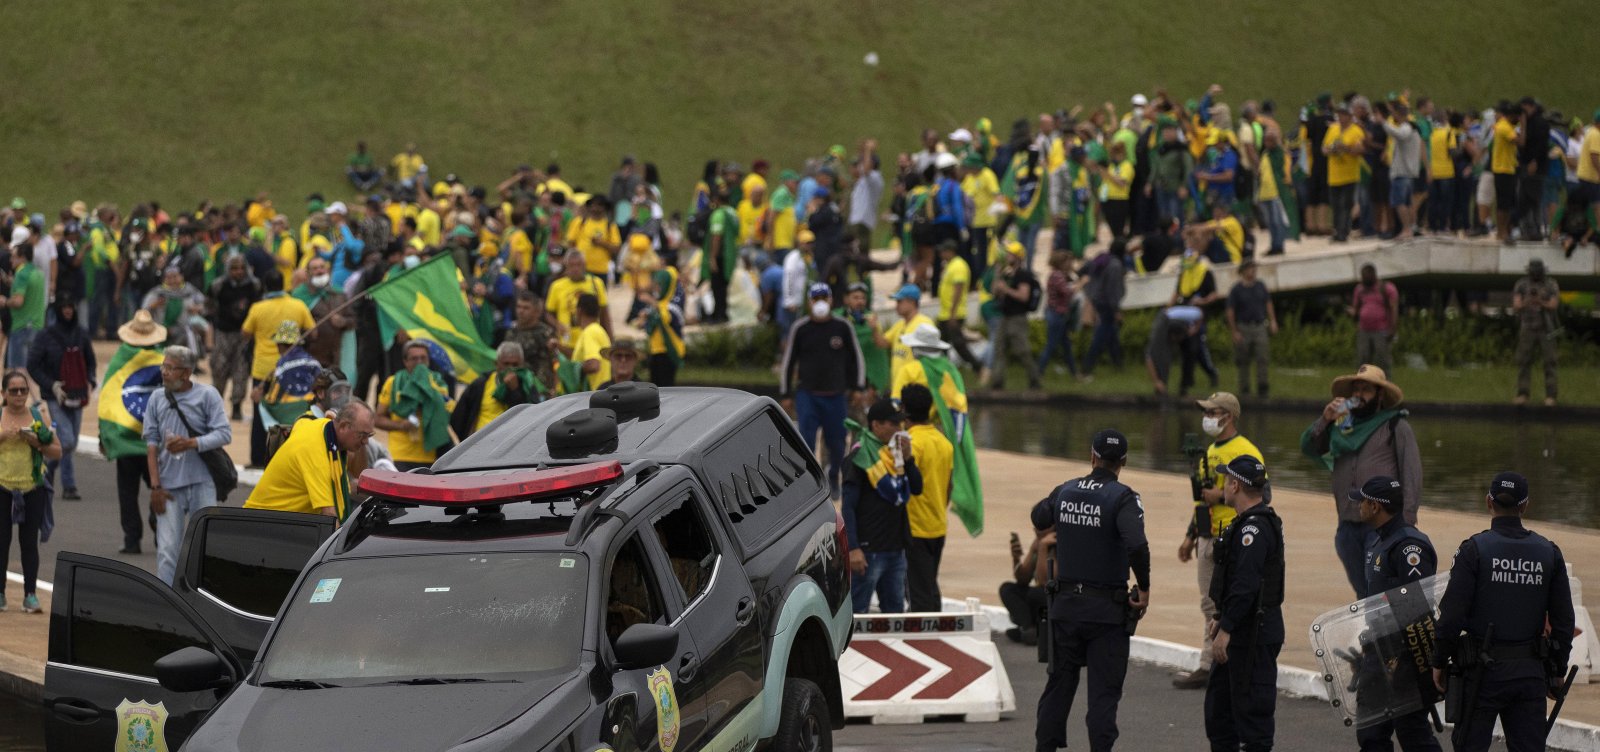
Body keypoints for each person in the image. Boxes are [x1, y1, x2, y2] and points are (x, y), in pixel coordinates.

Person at [1430, 471, 1575, 752]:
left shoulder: (1474, 550)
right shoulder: (1549, 552)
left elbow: (1451, 614)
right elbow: (1563, 619)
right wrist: (1558, 668)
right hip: (1529, 673)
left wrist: (1439, 660)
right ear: (1524, 506)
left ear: (1488, 502)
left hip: (1481, 674)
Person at [1031, 428, 1150, 752]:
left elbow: (1038, 516)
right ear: (1122, 461)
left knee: (1058, 687)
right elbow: (1137, 544)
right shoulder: (1124, 497)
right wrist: (1145, 587)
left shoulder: (1066, 491)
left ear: (1092, 456)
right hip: (1106, 613)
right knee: (1103, 695)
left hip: (1065, 607)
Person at [1300, 364, 1423, 598]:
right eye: (1355, 389)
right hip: (1347, 525)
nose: (1358, 395)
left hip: (1382, 527)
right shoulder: (1341, 428)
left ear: (1380, 396)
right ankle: (1371, 633)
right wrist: (1325, 419)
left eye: (1365, 390)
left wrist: (1406, 524)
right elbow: (1311, 446)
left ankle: (1387, 633)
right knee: (1363, 593)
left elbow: (1412, 475)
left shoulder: (1395, 425)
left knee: (1383, 592)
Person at [1172, 392, 1264, 690]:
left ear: (1229, 415)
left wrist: (1222, 495)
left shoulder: (1245, 450)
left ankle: (1216, 661)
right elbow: (1203, 498)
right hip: (1207, 535)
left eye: (1213, 411)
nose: (1208, 417)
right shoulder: (1210, 451)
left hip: (1233, 534)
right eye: (1206, 411)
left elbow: (1264, 493)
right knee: (1208, 602)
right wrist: (1190, 536)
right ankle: (1211, 661)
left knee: (1229, 599)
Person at [1349, 475, 1441, 752]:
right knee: (1372, 733)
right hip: (1380, 650)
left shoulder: (1408, 547)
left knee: (1411, 731)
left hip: (1404, 655)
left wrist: (1401, 660)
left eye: (1362, 501)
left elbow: (1416, 607)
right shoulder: (1379, 541)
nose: (1358, 506)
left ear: (1376, 506)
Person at [1204, 455, 1284, 752]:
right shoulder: (1246, 524)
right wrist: (1220, 615)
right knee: (1219, 714)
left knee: (1253, 722)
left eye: (1226, 480)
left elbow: (1246, 585)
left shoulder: (1255, 529)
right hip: (1240, 628)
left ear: (1235, 485)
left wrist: (1227, 627)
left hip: (1252, 635)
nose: (1223, 485)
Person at [142, 346, 230, 585]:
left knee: (203, 546)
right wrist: (155, 487)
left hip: (203, 483)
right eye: (164, 366)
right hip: (168, 487)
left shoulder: (208, 395)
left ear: (186, 373)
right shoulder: (157, 398)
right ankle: (167, 603)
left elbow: (224, 434)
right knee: (168, 550)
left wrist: (192, 443)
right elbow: (151, 445)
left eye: (170, 368)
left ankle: (201, 599)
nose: (164, 372)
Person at [779, 282, 865, 499]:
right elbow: (788, 362)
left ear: (831, 301)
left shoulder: (843, 327)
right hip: (808, 395)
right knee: (805, 441)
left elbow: (856, 359)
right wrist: (785, 393)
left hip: (836, 396)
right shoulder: (801, 328)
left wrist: (858, 387)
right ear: (810, 302)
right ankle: (810, 483)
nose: (820, 304)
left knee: (837, 443)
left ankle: (834, 475)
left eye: (823, 299)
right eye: (815, 299)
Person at [842, 398, 919, 615]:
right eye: (893, 424)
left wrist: (908, 459)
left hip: (895, 549)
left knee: (894, 614)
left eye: (901, 424)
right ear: (876, 425)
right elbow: (848, 507)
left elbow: (917, 487)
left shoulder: (894, 457)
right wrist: (854, 548)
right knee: (857, 613)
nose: (899, 429)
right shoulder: (859, 457)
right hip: (868, 552)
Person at [246, 400, 375, 522]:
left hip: (284, 525)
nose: (366, 442)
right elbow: (329, 516)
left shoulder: (326, 432)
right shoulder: (316, 450)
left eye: (369, 435)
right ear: (343, 426)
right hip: (260, 525)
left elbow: (345, 487)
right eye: (362, 435)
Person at [0, 371, 61, 614]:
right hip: (2, 487)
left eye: (23, 390)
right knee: (1, 542)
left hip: (32, 487)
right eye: (13, 390)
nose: (18, 395)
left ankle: (30, 595)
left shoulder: (37, 416)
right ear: (4, 393)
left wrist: (36, 441)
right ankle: (1, 593)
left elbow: (57, 451)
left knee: (29, 544)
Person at [27, 297, 94, 500]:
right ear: (58, 310)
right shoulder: (45, 336)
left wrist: (90, 381)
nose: (67, 311)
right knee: (66, 439)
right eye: (64, 307)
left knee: (70, 443)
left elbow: (90, 360)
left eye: (70, 307)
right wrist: (51, 385)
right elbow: (32, 365)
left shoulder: (81, 334)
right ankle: (69, 485)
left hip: (78, 394)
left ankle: (47, 468)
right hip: (55, 397)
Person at [239, 285, 314, 466]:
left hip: (284, 412)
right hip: (308, 420)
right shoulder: (312, 363)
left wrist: (260, 400)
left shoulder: (280, 368)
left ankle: (260, 459)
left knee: (261, 419)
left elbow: (273, 403)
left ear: (279, 344)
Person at [900, 384, 953, 613]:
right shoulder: (944, 443)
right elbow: (949, 485)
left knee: (918, 594)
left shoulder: (908, 444)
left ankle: (926, 642)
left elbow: (901, 485)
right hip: (938, 525)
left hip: (915, 528)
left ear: (904, 410)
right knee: (929, 587)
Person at [376, 340, 454, 471]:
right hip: (400, 455)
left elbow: (443, 414)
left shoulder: (438, 383)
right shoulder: (393, 382)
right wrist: (401, 425)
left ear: (428, 361)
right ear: (405, 362)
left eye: (423, 358)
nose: (419, 362)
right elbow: (377, 419)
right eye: (414, 358)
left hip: (431, 456)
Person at [206, 254, 263, 420]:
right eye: (234, 268)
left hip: (244, 336)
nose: (238, 272)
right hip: (223, 334)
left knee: (241, 372)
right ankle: (215, 408)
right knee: (219, 370)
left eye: (241, 268)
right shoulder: (218, 285)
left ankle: (237, 407)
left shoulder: (254, 285)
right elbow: (209, 305)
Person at [450, 342, 540, 440]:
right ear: (497, 364)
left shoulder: (528, 385)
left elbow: (529, 418)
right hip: (480, 442)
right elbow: (459, 418)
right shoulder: (481, 384)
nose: (510, 368)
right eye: (506, 364)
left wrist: (515, 391)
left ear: (522, 365)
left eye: (515, 364)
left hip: (510, 442)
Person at [988, 242, 1041, 390]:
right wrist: (998, 274)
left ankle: (1034, 379)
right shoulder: (1007, 274)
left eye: (1010, 254)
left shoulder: (1023, 275)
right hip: (1005, 316)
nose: (1007, 256)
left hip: (1017, 317)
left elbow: (1024, 296)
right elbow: (994, 292)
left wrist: (1007, 289)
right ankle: (997, 382)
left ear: (1018, 257)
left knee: (1022, 350)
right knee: (999, 349)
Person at [1511, 258, 1559, 406]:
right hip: (1527, 326)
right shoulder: (1522, 284)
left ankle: (1551, 395)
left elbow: (1553, 305)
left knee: (1550, 361)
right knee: (1524, 360)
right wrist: (1527, 301)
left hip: (1546, 327)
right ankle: (1523, 393)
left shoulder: (1550, 284)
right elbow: (1516, 305)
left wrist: (1541, 302)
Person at [1225, 260, 1278, 397]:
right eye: (1250, 269)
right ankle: (1244, 389)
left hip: (1259, 325)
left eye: (1254, 268)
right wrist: (1234, 331)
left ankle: (1263, 388)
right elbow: (1230, 311)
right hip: (1244, 326)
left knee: (1262, 357)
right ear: (1243, 271)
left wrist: (1272, 321)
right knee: (1243, 359)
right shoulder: (1236, 289)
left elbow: (1268, 303)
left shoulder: (1260, 286)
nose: (1253, 271)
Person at [291, 256, 354, 369]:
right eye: (315, 268)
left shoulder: (339, 293)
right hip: (309, 357)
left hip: (335, 358)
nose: (319, 271)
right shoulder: (298, 296)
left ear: (328, 270)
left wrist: (343, 322)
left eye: (322, 267)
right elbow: (291, 326)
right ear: (308, 273)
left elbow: (353, 320)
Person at [545, 249, 610, 349]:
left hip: (590, 339)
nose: (575, 269)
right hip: (567, 342)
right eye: (571, 265)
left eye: (578, 265)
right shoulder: (557, 286)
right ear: (566, 267)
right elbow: (548, 313)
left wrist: (609, 338)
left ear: (584, 266)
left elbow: (604, 313)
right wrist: (558, 325)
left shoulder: (596, 283)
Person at [1001, 526, 1054, 645]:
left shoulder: (1057, 544)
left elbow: (1045, 581)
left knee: (1036, 594)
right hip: (1040, 600)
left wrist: (1043, 548)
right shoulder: (1039, 542)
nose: (1036, 530)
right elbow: (1023, 580)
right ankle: (1029, 629)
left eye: (1041, 526)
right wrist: (1016, 558)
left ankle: (1037, 633)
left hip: (1057, 599)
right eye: (1035, 526)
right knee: (1007, 589)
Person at [935, 240, 980, 368]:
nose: (941, 254)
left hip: (953, 312)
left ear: (950, 251)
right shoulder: (949, 265)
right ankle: (944, 369)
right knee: (942, 344)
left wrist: (952, 313)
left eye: (943, 251)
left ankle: (978, 367)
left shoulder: (958, 266)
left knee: (958, 344)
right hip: (945, 313)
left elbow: (958, 289)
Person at [1325, 103, 1366, 242]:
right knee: (1335, 205)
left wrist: (1346, 148)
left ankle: (1344, 232)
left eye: (1344, 114)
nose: (1341, 117)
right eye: (1340, 114)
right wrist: (1331, 149)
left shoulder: (1356, 131)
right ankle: (1336, 231)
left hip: (1349, 175)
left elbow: (1360, 151)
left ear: (1350, 116)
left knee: (1346, 205)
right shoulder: (1333, 129)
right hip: (1334, 174)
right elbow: (1323, 148)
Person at [503, 291, 558, 395]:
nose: (521, 311)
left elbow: (557, 364)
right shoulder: (511, 333)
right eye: (519, 307)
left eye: (526, 308)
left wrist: (554, 391)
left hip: (540, 391)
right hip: (516, 390)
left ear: (536, 311)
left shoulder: (545, 333)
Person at [1348, 263, 1398, 373]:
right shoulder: (1360, 289)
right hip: (1364, 330)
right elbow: (1356, 308)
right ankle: (1362, 383)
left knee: (1382, 359)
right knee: (1363, 359)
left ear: (1373, 275)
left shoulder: (1386, 288)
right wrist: (1353, 314)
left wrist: (1393, 328)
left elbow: (1394, 308)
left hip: (1382, 330)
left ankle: (1385, 384)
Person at [1037, 251, 1079, 377]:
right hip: (1057, 314)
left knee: (1066, 346)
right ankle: (1038, 372)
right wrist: (1081, 284)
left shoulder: (1059, 275)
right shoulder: (1057, 276)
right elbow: (1067, 292)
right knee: (1051, 345)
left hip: (1059, 314)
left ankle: (1074, 372)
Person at [879, 283, 934, 380]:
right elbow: (883, 343)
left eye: (899, 302)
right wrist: (874, 327)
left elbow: (930, 360)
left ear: (911, 302)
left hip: (915, 387)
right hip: (898, 387)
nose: (896, 306)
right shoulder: (899, 325)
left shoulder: (924, 325)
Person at [7, 241, 47, 369]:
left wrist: (4, 301)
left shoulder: (21, 274)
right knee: (32, 369)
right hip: (37, 325)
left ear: (23, 257)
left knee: (19, 370)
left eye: (14, 256)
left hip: (22, 327)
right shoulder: (37, 272)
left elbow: (18, 301)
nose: (10, 260)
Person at [702, 188, 738, 323]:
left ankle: (718, 315)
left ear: (717, 200)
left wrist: (712, 257)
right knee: (725, 285)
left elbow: (717, 236)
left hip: (720, 255)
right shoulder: (733, 213)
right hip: (730, 255)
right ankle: (723, 313)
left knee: (717, 286)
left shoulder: (719, 214)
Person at [568, 293, 611, 392]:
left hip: (591, 396)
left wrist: (572, 372)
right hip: (600, 393)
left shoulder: (590, 332)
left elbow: (593, 365)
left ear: (579, 311)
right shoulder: (598, 330)